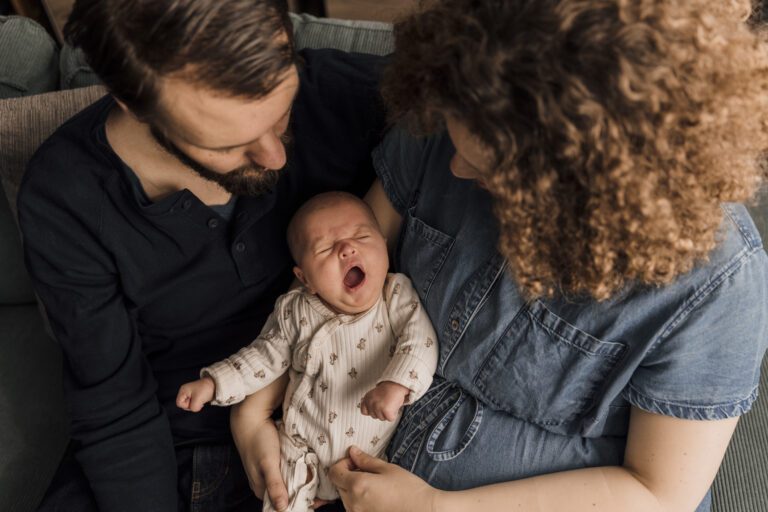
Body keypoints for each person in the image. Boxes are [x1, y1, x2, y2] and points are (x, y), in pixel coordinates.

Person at [233, 1, 768, 511]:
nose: (458, 170)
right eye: (456, 138)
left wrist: (436, 508)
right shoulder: (458, 111)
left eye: (491, 167)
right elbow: (329, 299)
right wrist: (254, 411)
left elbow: (659, 493)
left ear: (588, 178)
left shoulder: (716, 282)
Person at [16, 1, 387, 511]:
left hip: (341, 430)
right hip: (173, 445)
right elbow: (114, 404)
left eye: (281, 115)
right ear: (134, 102)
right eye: (230, 145)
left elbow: (490, 98)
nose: (276, 156)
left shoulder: (339, 94)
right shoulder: (65, 195)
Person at [177, 191, 439, 512]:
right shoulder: (295, 311)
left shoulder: (394, 295)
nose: (347, 248)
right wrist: (214, 384)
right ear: (305, 279)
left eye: (362, 236)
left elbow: (420, 341)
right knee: (280, 500)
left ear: (384, 245)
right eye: (326, 248)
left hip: (369, 458)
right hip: (299, 451)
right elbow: (262, 357)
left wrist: (397, 386)